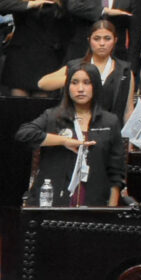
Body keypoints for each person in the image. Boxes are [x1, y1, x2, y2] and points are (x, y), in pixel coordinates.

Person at [18, 63, 125, 207]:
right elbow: (24, 134)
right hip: (54, 199)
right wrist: (63, 141)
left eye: (87, 83)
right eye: (74, 83)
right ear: (67, 87)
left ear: (96, 87)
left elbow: (116, 171)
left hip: (94, 201)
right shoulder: (53, 116)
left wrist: (111, 209)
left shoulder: (110, 121)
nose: (80, 89)